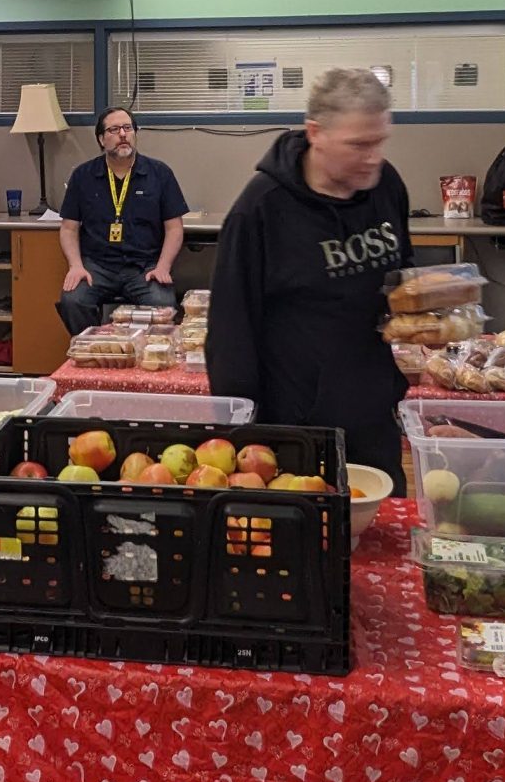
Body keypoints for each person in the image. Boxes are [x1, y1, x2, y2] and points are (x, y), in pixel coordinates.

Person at [208, 68, 413, 490]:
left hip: (373, 410)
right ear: (316, 133)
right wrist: (242, 435)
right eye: (359, 145)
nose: (373, 157)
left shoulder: (386, 185)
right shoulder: (260, 210)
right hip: (296, 422)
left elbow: (401, 277)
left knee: (381, 518)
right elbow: (230, 332)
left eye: (380, 141)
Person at [57, 107, 190, 332]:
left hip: (144, 266)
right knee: (73, 301)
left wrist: (163, 267)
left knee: (163, 305)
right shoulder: (83, 176)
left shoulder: (159, 173)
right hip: (98, 266)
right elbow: (69, 228)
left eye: (128, 128)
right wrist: (76, 266)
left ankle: (144, 351)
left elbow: (174, 228)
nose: (122, 134)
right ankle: (95, 348)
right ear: (101, 139)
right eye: (114, 129)